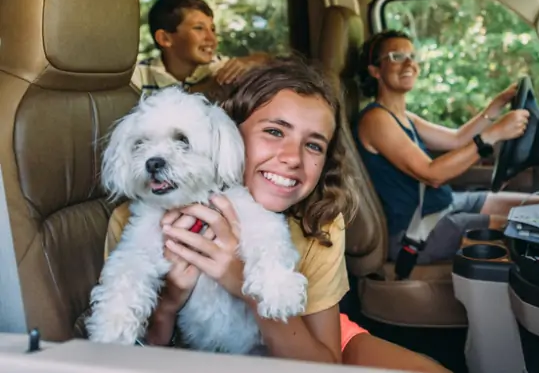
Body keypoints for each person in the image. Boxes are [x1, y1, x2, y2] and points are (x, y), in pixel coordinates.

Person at [103, 57, 449, 372]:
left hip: (307, 334)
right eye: (274, 132)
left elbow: (324, 362)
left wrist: (246, 286)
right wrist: (168, 303)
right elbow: (138, 353)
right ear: (230, 132)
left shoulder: (320, 219)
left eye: (313, 145)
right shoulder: (140, 216)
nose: (293, 157)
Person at [355, 30, 539, 265]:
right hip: (418, 230)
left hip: (443, 205)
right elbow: (433, 174)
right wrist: (495, 133)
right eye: (397, 56)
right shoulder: (375, 119)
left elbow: (458, 139)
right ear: (375, 70)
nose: (409, 63)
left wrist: (497, 105)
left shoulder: (403, 116)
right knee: (530, 227)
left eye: (412, 56)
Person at [132, 0, 270, 99]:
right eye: (199, 28)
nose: (212, 39)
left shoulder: (219, 68)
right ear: (165, 38)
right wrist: (205, 88)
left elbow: (273, 63)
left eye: (213, 29)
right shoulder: (138, 77)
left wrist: (252, 61)